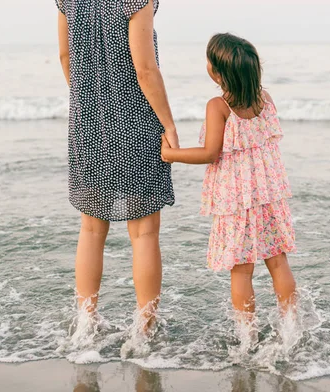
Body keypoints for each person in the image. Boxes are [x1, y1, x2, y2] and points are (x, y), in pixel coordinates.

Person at [55, 0, 179, 329]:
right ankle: (145, 327)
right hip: (135, 122)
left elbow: (65, 56)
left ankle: (85, 321)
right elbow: (145, 69)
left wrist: (91, 100)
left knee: (92, 229)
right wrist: (168, 123)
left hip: (88, 123)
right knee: (144, 233)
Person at [161, 33, 297, 323]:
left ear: (216, 72)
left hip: (237, 200)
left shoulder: (218, 106)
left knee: (242, 268)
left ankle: (246, 337)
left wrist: (171, 154)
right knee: (278, 261)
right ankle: (291, 327)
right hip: (269, 194)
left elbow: (210, 153)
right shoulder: (266, 99)